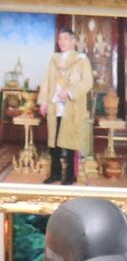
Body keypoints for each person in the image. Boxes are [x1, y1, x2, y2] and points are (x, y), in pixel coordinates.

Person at [41, 26, 92, 186]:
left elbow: (88, 82)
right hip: (55, 105)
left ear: (73, 41)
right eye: (60, 39)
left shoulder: (81, 59)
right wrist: (43, 101)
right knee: (53, 141)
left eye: (65, 38)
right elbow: (47, 81)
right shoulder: (53, 59)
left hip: (72, 107)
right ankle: (55, 173)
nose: (62, 42)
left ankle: (70, 176)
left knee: (70, 141)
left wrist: (70, 92)